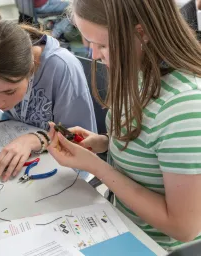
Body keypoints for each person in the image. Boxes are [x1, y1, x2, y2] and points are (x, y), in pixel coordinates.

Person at [47, 0, 201, 252]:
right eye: (90, 43)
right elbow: (152, 146)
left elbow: (183, 228)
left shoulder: (185, 106)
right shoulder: (140, 71)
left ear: (141, 33)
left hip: (160, 247)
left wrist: (96, 167)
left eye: (103, 45)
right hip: (121, 225)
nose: (94, 55)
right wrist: (103, 142)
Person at [0, 20, 97, 183]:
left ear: (31, 67)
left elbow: (79, 140)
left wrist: (35, 139)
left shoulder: (62, 68)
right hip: (16, 146)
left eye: (9, 91)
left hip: (66, 169)